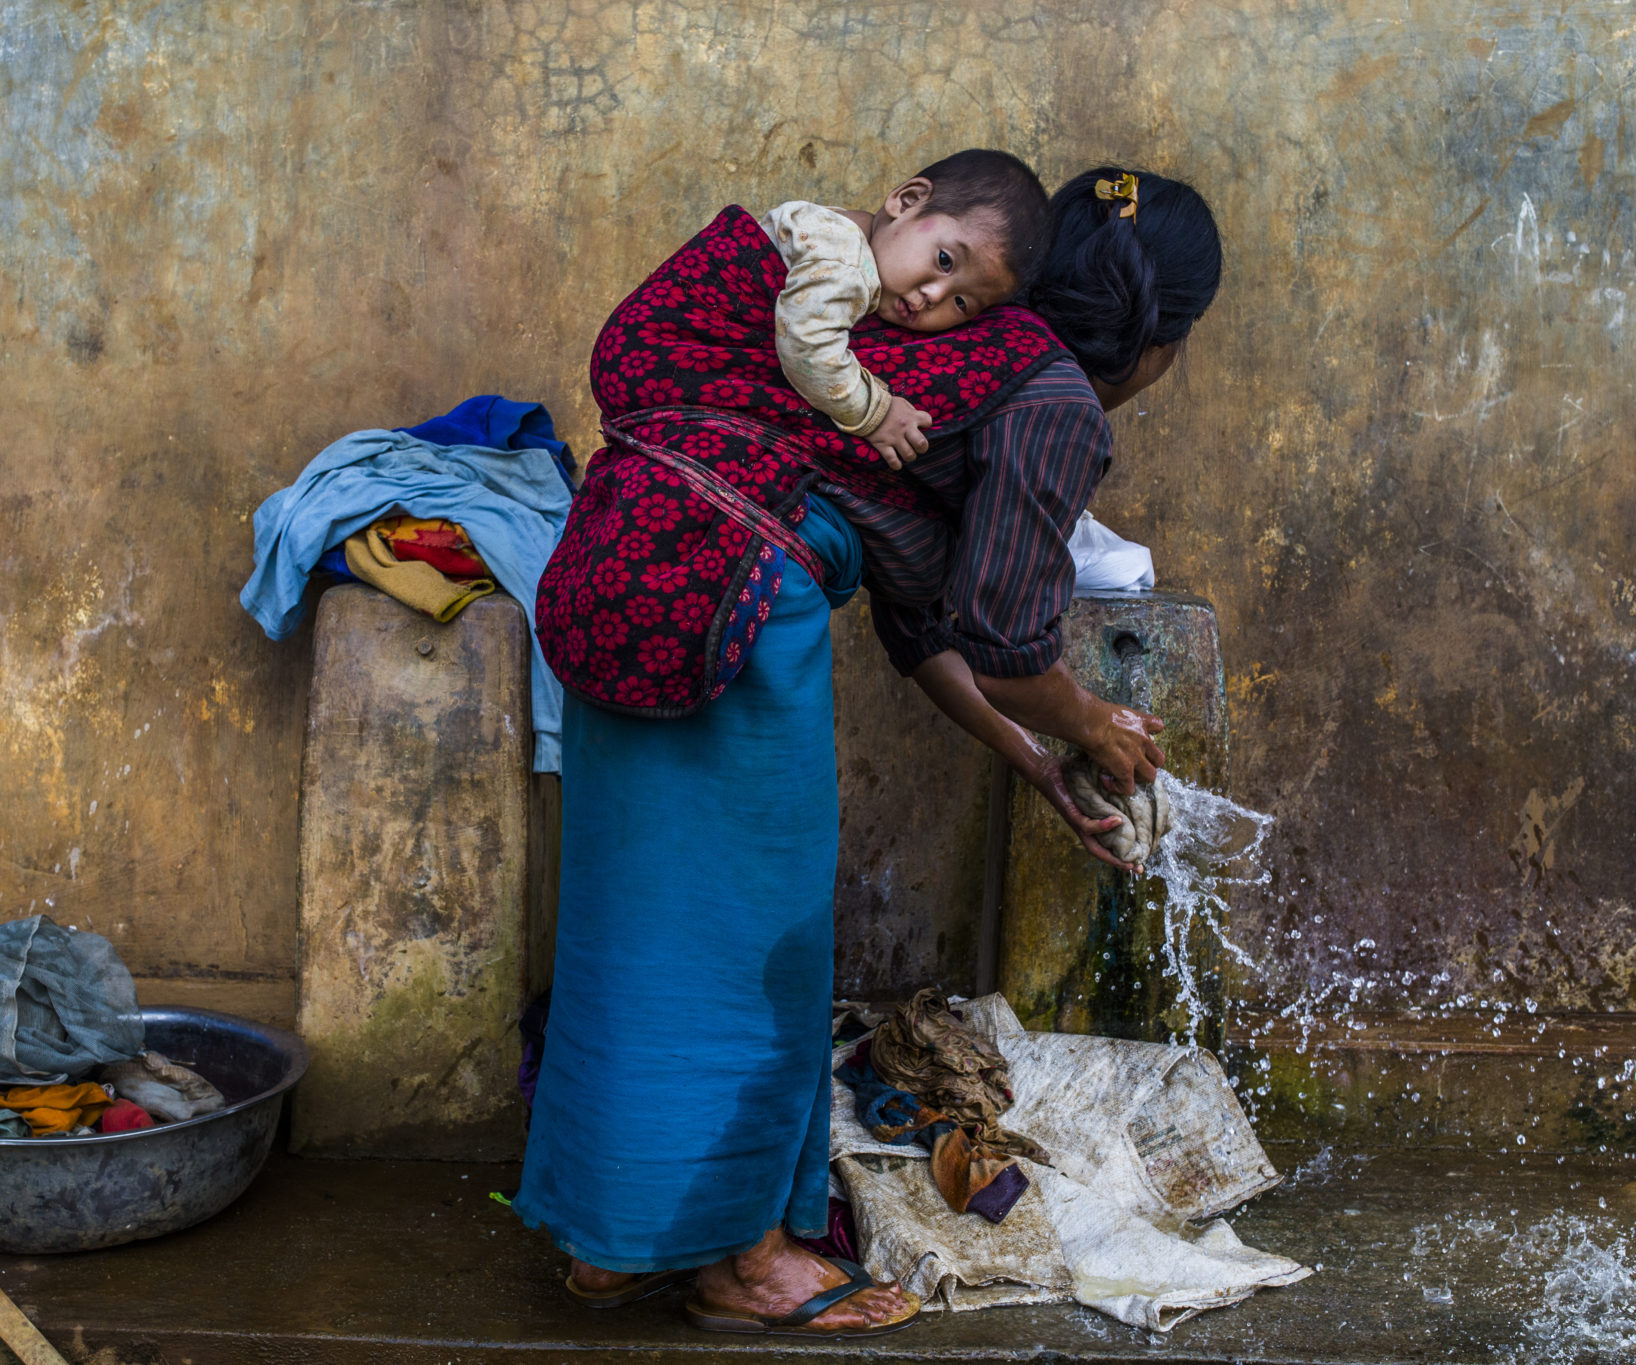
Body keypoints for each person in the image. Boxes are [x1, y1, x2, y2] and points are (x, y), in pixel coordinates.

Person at [515, 167, 1223, 1339]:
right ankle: (740, 1262)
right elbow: (999, 643)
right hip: (739, 618)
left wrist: (1029, 760)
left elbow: (917, 618)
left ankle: (614, 1244)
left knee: (630, 929)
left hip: (636, 573)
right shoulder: (1043, 398)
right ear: (1161, 343)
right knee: (750, 949)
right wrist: (1088, 724)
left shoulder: (917, 328)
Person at [756, 149, 1049, 468]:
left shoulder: (843, 237)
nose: (935, 295)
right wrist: (875, 413)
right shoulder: (845, 258)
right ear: (908, 201)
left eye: (961, 302)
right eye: (945, 261)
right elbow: (806, 345)